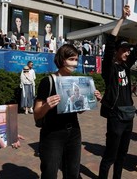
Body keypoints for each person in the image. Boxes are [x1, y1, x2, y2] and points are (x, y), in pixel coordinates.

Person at [98, 5, 137, 179]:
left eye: (128, 50)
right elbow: (110, 43)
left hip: (128, 115)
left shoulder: (126, 66)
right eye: (124, 50)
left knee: (122, 155)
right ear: (117, 52)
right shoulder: (109, 68)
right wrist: (121, 18)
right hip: (115, 117)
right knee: (110, 156)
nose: (127, 52)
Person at [34, 44, 102, 179]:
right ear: (61, 59)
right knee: (50, 172)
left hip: (74, 132)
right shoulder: (48, 82)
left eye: (76, 60)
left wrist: (92, 100)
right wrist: (47, 105)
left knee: (72, 172)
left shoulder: (76, 82)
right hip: (52, 133)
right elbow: (37, 114)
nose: (74, 63)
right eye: (71, 59)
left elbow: (78, 110)